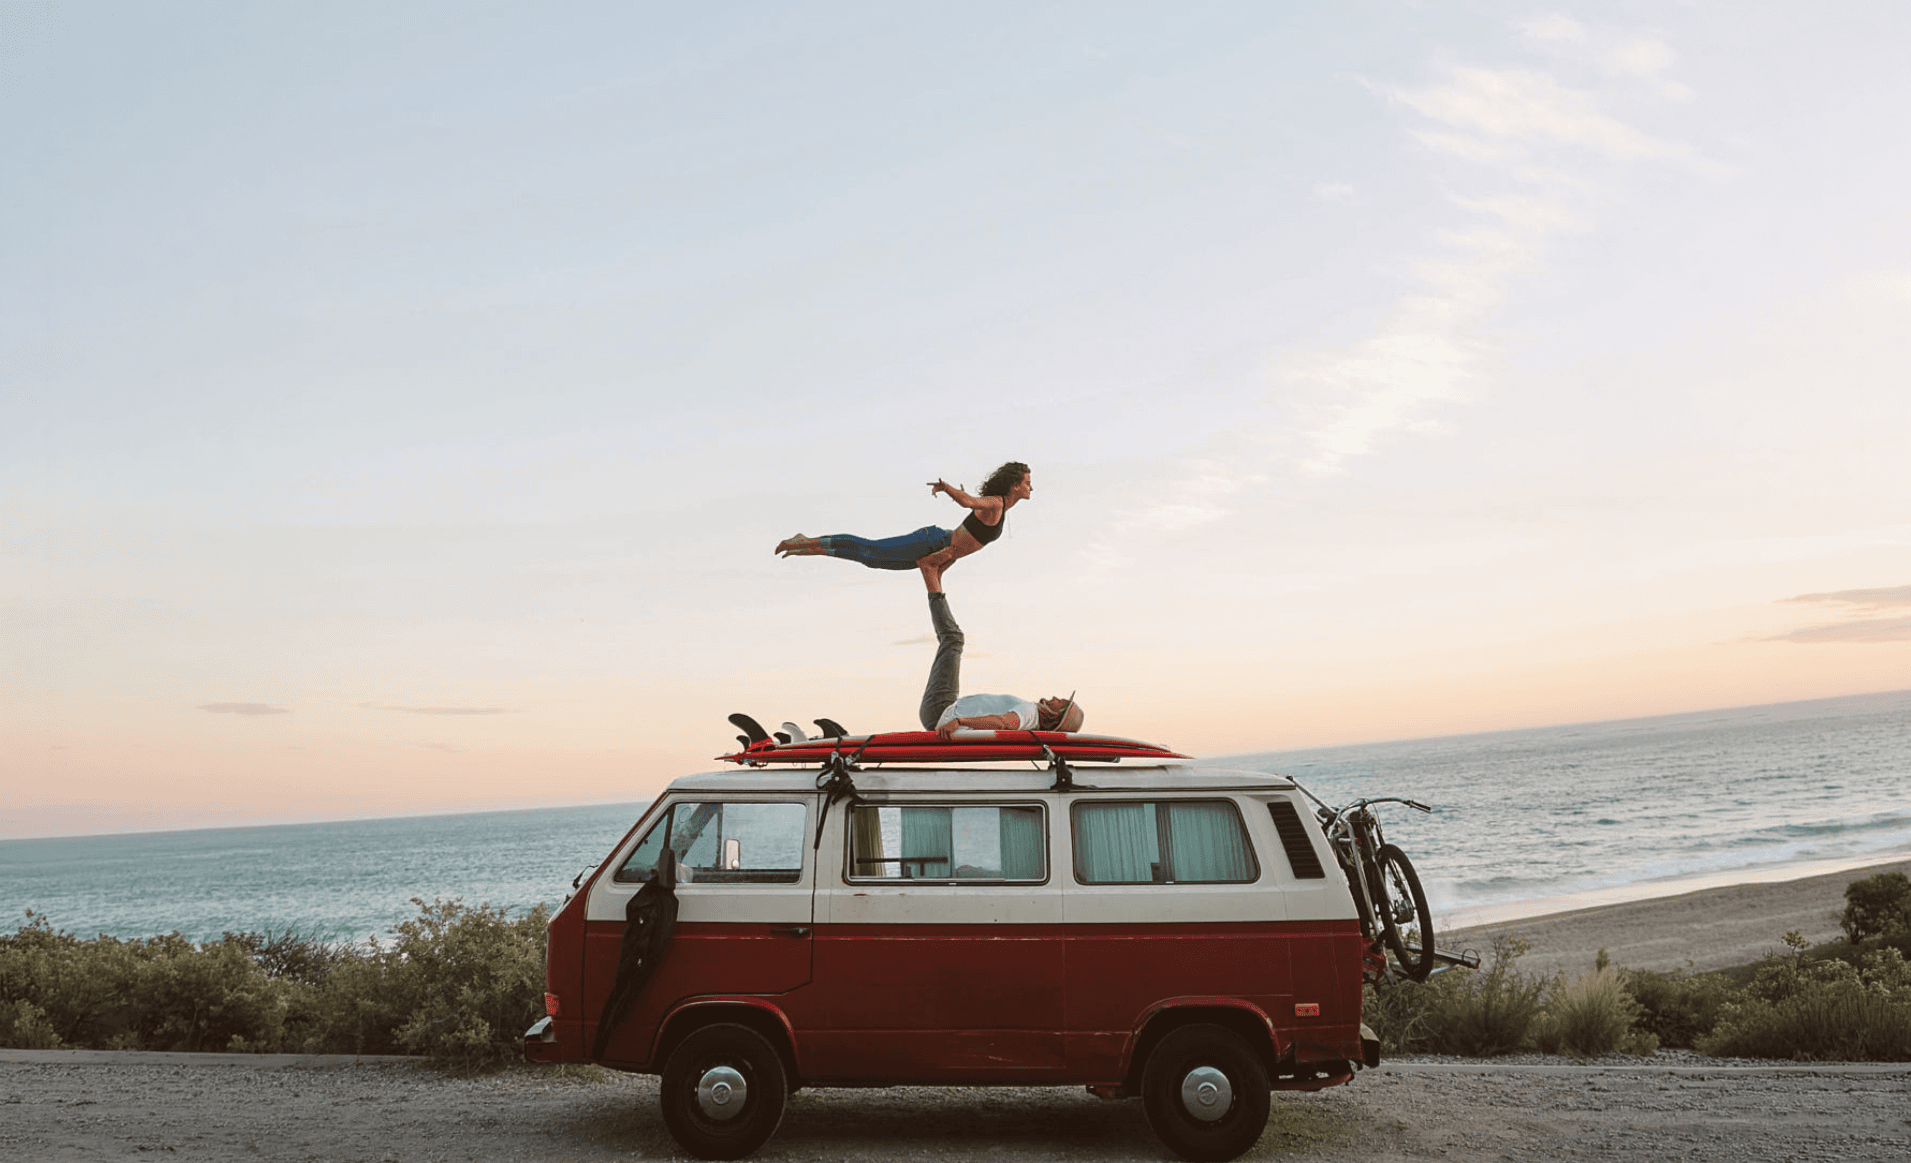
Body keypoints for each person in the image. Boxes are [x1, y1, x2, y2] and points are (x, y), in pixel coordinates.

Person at [776, 462, 1032, 592]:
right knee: (870, 549)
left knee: (871, 560)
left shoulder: (999, 508)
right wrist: (947, 488)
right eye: (1027, 482)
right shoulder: (996, 504)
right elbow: (968, 502)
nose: (1031, 487)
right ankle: (808, 540)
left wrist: (941, 571)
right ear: (1015, 486)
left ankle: (810, 549)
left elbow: (965, 543)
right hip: (933, 542)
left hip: (940, 550)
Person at [917, 588, 1084, 738]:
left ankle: (932, 579)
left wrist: (959, 722)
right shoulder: (1030, 723)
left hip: (942, 711)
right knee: (953, 640)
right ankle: (933, 581)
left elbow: (1003, 723)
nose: (1054, 698)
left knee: (953, 639)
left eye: (1060, 701)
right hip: (946, 710)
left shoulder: (1030, 712)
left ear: (1056, 714)